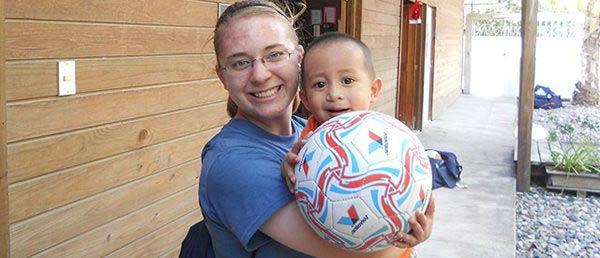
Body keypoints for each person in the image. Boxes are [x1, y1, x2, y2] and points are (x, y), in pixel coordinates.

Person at [199, 1, 433, 257]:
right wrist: (405, 227)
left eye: (275, 54)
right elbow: (366, 254)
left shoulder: (317, 135)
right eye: (240, 63)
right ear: (222, 77)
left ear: (298, 59)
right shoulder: (232, 163)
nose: (260, 75)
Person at [281, 32, 433, 258]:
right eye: (320, 84)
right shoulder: (306, 144)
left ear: (373, 90)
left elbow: (420, 196)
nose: (334, 94)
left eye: (347, 81)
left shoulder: (391, 139)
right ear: (304, 98)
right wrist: (287, 169)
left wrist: (421, 229)